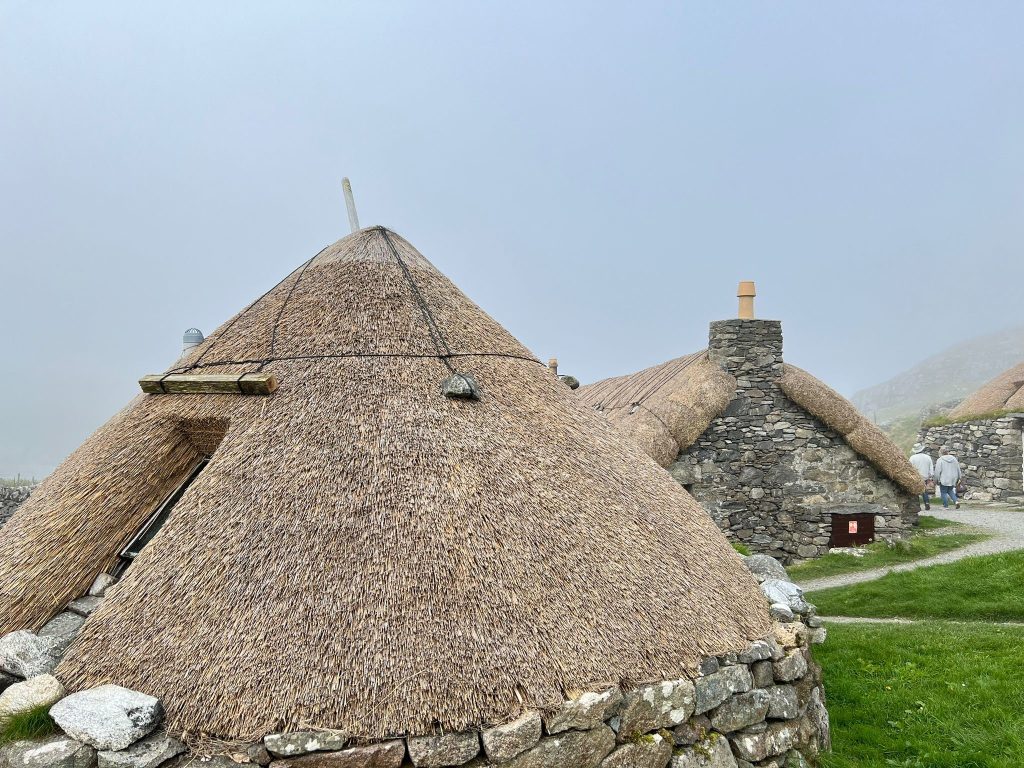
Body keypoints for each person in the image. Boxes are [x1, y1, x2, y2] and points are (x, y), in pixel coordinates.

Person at [909, 442, 934, 510]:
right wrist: (931, 476)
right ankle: (927, 503)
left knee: (915, 490)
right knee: (924, 490)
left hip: (916, 476)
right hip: (925, 476)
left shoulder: (912, 458)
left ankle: (916, 504)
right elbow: (931, 467)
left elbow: (910, 467)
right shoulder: (927, 457)